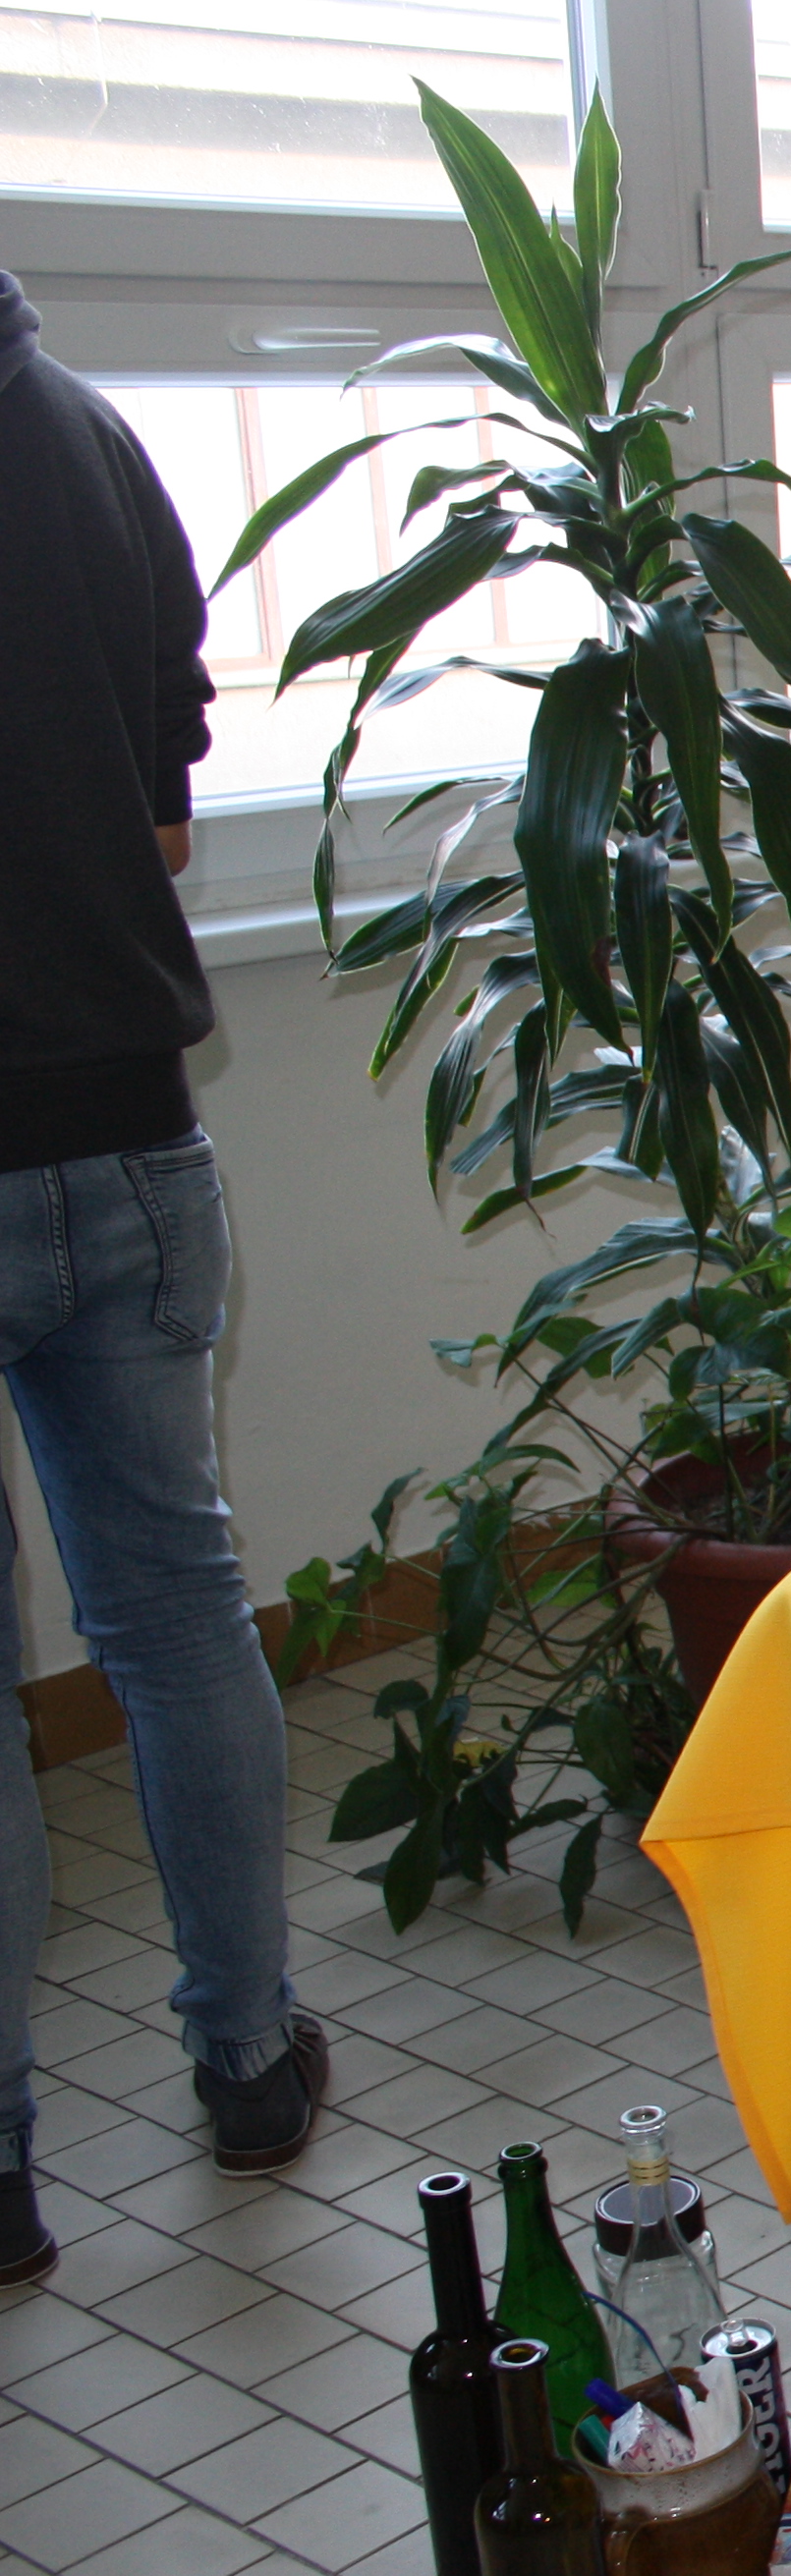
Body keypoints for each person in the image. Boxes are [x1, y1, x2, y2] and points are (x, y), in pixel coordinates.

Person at [0, 267, 323, 2288]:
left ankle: (0, 2167)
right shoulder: (93, 440)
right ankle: (251, 2054)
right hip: (128, 1131)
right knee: (183, 1614)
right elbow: (164, 823)